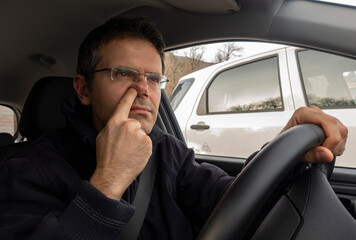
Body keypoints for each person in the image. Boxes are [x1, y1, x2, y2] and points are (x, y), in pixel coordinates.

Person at [0, 17, 347, 240]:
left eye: (153, 78)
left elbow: (234, 199)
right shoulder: (27, 171)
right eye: (122, 74)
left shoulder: (167, 151)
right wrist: (108, 182)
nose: (143, 89)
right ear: (84, 89)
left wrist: (286, 150)